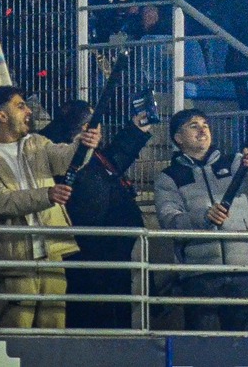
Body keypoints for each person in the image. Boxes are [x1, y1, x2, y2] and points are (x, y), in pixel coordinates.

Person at [0, 86, 87, 329]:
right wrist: (47, 195)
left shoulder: (37, 143)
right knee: (16, 333)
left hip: (52, 253)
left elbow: (65, 158)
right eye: (20, 106)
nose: (29, 110)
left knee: (54, 330)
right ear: (1, 116)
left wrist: (83, 145)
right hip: (14, 257)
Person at [37, 95, 155, 330]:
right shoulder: (51, 149)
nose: (96, 129)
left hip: (115, 249)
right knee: (90, 314)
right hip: (90, 251)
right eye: (90, 122)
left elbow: (113, 163)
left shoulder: (95, 154)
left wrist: (136, 130)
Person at [153, 109, 248, 332]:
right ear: (178, 138)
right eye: (193, 125)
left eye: (205, 124)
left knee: (238, 340)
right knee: (201, 340)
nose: (202, 129)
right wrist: (203, 217)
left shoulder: (234, 161)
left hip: (241, 267)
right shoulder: (169, 177)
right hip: (199, 271)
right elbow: (169, 220)